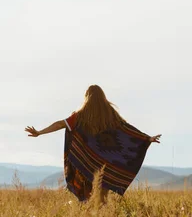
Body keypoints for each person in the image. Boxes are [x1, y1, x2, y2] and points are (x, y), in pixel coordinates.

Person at [25, 85, 161, 202]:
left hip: (86, 163)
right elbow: (126, 129)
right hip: (106, 163)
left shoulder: (80, 116)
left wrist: (40, 132)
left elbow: (61, 124)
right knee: (103, 197)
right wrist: (146, 138)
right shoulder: (110, 114)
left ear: (86, 97)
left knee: (87, 194)